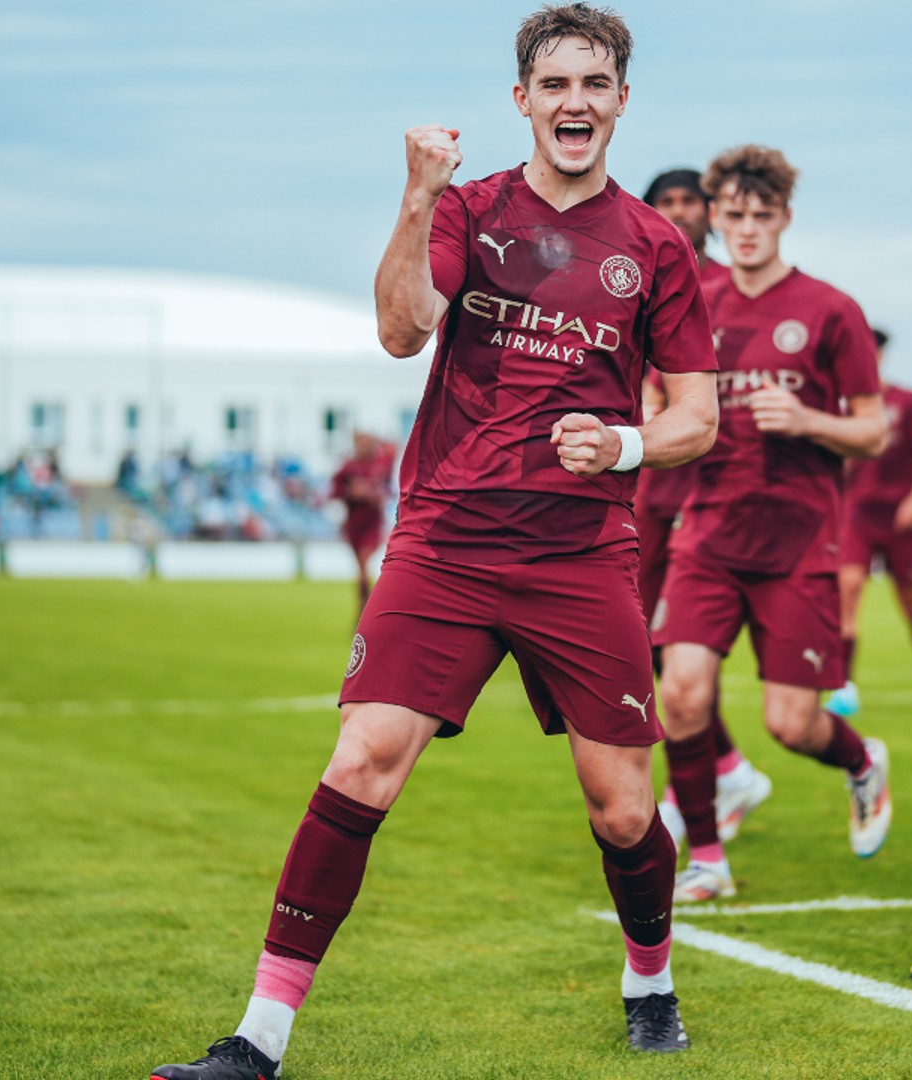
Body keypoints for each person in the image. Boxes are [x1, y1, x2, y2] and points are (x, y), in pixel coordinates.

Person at [149, 7, 719, 1077]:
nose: (575, 104)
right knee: (362, 764)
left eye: (595, 84)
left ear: (622, 101)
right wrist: (416, 197)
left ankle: (649, 976)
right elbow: (403, 327)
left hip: (579, 552)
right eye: (554, 85)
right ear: (522, 101)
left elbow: (700, 417)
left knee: (624, 808)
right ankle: (258, 1040)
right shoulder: (469, 209)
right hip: (447, 540)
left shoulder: (654, 246)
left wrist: (629, 444)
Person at [651, 144, 892, 905]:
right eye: (735, 216)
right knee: (682, 694)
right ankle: (709, 860)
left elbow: (874, 431)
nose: (748, 229)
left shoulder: (830, 310)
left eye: (764, 216)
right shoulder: (695, 301)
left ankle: (861, 764)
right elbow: (660, 394)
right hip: (709, 535)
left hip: (797, 545)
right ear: (715, 218)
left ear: (785, 218)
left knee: (792, 724)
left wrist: (809, 418)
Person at [637, 167, 774, 845]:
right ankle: (725, 765)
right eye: (667, 202)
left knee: (679, 641)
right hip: (648, 483)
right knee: (648, 640)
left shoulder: (727, 286)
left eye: (691, 201)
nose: (681, 212)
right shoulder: (636, 275)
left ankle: (702, 777)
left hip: (708, 487)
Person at [830, 328, 912, 716]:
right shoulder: (843, 407)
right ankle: (844, 686)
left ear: (881, 355)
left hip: (901, 519)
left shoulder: (906, 400)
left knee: (911, 602)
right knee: (847, 591)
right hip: (857, 516)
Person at [328, 431, 397, 613]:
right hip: (354, 525)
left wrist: (378, 495)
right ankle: (363, 606)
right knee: (361, 569)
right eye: (360, 444)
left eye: (367, 444)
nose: (363, 448)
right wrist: (352, 493)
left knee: (364, 565)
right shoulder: (349, 467)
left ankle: (366, 608)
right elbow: (334, 491)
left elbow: (390, 489)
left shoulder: (380, 466)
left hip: (372, 524)